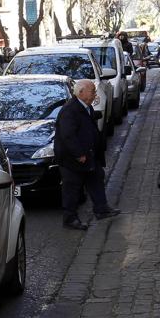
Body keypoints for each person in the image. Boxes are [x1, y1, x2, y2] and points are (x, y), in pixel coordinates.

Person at [54, 80, 119, 231]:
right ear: (81, 92)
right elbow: (67, 136)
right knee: (72, 188)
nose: (95, 94)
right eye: (92, 91)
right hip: (72, 159)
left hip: (89, 155)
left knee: (96, 178)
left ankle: (101, 209)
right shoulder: (69, 110)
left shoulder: (86, 107)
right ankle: (70, 219)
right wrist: (79, 154)